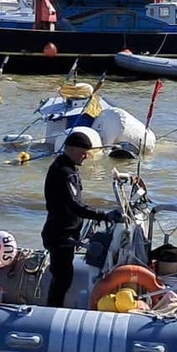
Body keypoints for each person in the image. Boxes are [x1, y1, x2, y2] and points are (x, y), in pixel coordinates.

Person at [42, 131, 117, 308]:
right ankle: (52, 311)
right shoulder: (63, 172)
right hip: (60, 235)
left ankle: (54, 307)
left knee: (64, 277)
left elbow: (76, 204)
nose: (86, 156)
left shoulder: (69, 169)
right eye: (83, 152)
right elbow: (74, 205)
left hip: (68, 233)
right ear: (70, 149)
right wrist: (103, 215)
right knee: (63, 278)